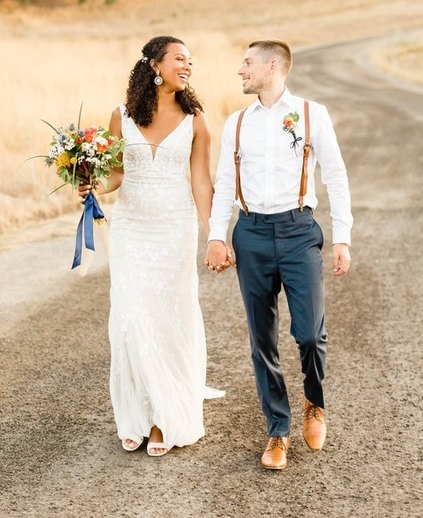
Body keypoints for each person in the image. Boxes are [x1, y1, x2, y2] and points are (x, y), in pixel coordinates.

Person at [205, 39, 352, 471]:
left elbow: (336, 176)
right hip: (250, 233)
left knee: (309, 334)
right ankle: (277, 429)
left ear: (273, 66)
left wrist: (342, 238)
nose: (241, 70)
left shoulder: (311, 113)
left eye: (247, 63)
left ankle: (314, 403)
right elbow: (224, 184)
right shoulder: (236, 122)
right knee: (261, 338)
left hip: (298, 230)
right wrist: (216, 236)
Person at [80, 35, 215, 457]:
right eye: (179, 59)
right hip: (132, 229)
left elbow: (201, 181)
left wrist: (215, 235)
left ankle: (162, 418)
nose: (187, 66)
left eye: (190, 60)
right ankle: (136, 415)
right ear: (155, 65)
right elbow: (116, 173)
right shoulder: (120, 116)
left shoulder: (196, 120)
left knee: (171, 319)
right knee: (131, 317)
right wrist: (92, 185)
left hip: (175, 229)